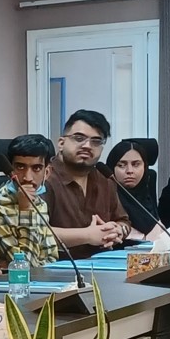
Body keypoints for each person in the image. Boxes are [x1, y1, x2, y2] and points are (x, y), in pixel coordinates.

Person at [45, 109, 130, 255]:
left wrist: (118, 230)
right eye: (79, 138)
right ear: (61, 143)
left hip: (102, 263)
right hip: (56, 264)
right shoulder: (44, 179)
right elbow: (34, 234)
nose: (87, 146)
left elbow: (124, 221)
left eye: (96, 141)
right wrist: (87, 236)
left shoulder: (105, 180)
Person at [0, 135, 62, 271]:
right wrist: (25, 211)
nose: (27, 177)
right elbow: (25, 266)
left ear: (47, 172)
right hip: (8, 282)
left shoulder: (40, 204)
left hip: (40, 280)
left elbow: (51, 257)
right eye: (20, 167)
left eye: (36, 168)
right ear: (10, 170)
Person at [104, 137, 161, 235]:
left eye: (136, 164)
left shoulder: (147, 189)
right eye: (121, 165)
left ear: (145, 167)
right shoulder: (105, 196)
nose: (129, 171)